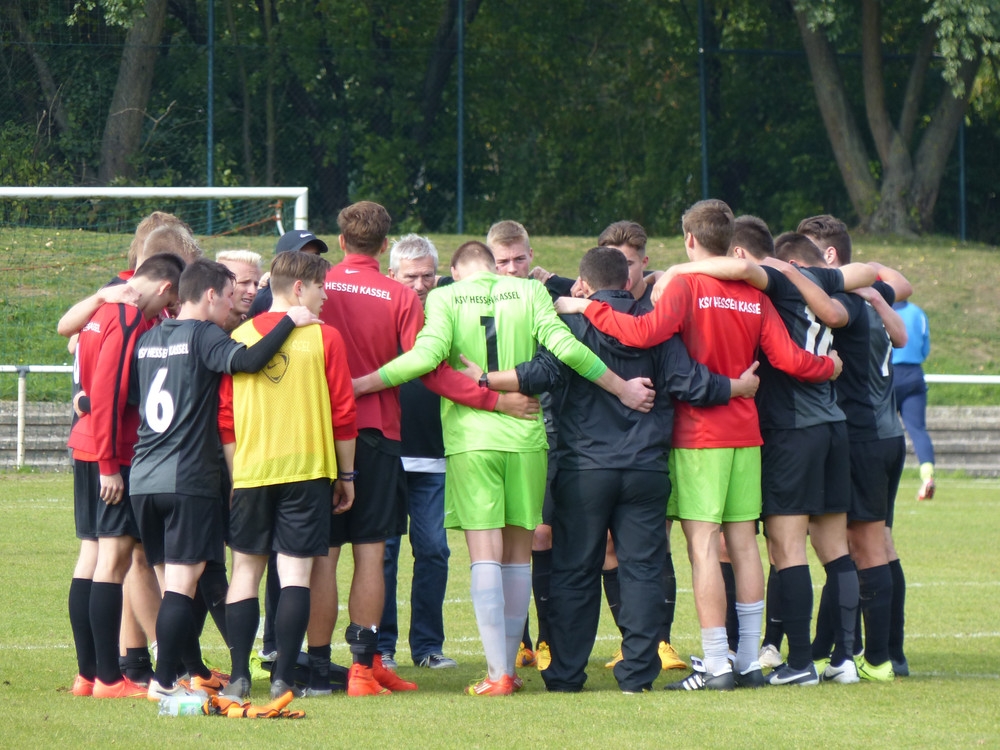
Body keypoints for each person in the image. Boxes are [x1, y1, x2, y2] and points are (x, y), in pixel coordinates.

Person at [557, 199, 841, 691]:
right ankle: (748, 661)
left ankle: (716, 664)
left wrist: (586, 306)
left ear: (689, 239)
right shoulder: (754, 294)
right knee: (744, 546)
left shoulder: (683, 285)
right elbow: (789, 360)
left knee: (705, 546)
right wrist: (829, 367)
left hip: (699, 435)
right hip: (746, 434)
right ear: (730, 241)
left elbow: (643, 332)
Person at [353, 240, 656, 696]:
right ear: (493, 268)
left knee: (484, 555)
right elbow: (567, 349)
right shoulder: (528, 292)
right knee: (518, 558)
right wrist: (622, 388)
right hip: (526, 437)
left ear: (456, 271)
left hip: (473, 440)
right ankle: (509, 670)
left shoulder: (445, 297)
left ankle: (498, 674)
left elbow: (424, 359)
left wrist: (359, 385)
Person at [464, 246, 756, 693]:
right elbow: (688, 381)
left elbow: (543, 372)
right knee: (642, 570)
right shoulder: (654, 325)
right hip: (645, 466)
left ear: (583, 284)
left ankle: (565, 675)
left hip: (584, 468)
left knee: (574, 570)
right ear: (627, 280)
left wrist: (487, 378)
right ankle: (637, 674)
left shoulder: (573, 323)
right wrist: (737, 386)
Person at [312, 203, 533, 697]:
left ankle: (318, 666)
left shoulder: (318, 286)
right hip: (377, 433)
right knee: (372, 552)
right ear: (384, 246)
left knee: (324, 555)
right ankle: (364, 668)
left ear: (342, 242)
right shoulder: (398, 296)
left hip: (320, 433)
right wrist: (494, 398)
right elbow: (430, 367)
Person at [663, 222, 877, 685]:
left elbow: (782, 351)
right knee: (833, 549)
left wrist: (676, 270)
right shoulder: (821, 278)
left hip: (786, 429)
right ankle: (842, 659)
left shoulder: (769, 281)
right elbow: (875, 272)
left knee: (782, 547)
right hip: (833, 426)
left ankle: (791, 662)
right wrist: (830, 362)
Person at [128, 258, 320, 701]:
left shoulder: (150, 337)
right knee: (182, 585)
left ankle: (184, 674)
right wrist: (289, 320)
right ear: (210, 295)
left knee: (173, 583)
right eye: (231, 296)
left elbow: (139, 395)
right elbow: (249, 361)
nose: (235, 305)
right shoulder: (204, 334)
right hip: (187, 476)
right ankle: (163, 683)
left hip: (144, 476)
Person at [219, 251, 357, 701]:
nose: (325, 297)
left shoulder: (239, 336)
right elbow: (343, 414)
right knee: (296, 574)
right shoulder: (325, 337)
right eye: (321, 287)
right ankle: (282, 678)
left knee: (245, 572)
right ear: (299, 288)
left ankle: (239, 676)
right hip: (307, 470)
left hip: (253, 472)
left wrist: (238, 474)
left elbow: (226, 419)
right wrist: (347, 475)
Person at [799, 214, 912, 680]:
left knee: (860, 546)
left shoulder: (842, 300)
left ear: (830, 257)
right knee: (873, 542)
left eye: (807, 255)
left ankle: (878, 659)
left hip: (863, 436)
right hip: (886, 435)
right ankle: (883, 652)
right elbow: (900, 290)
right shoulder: (872, 293)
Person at [66, 253, 184, 699]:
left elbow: (72, 344)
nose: (167, 311)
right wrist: (110, 466)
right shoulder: (129, 317)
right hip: (110, 450)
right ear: (165, 288)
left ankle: (87, 675)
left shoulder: (101, 310)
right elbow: (109, 392)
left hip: (86, 442)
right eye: (170, 302)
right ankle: (109, 679)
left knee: (93, 556)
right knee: (113, 562)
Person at [378, 234, 458, 670]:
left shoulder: (448, 316)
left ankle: (428, 646)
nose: (421, 284)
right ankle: (382, 647)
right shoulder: (377, 316)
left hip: (435, 457)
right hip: (387, 454)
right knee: (384, 553)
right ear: (392, 275)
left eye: (428, 275)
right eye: (411, 276)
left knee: (433, 550)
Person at [892, 300, 936, 501]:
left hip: (889, 375)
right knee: (918, 430)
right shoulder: (918, 312)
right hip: (914, 375)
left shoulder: (880, 310)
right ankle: (927, 477)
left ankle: (882, 475)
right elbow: (925, 348)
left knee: (883, 429)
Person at [246, 229, 328, 318]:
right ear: (283, 260)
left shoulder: (324, 293)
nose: (314, 261)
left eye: (316, 255)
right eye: (303, 256)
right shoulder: (262, 299)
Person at [216, 250, 263, 332]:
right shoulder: (198, 331)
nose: (253, 291)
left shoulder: (255, 331)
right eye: (244, 283)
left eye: (256, 284)